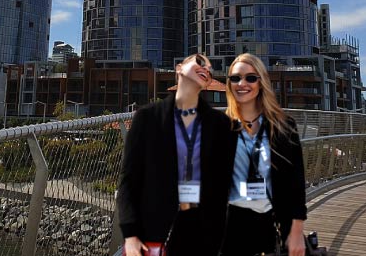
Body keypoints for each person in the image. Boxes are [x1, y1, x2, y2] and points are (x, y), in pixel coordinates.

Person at [117, 54, 235, 256]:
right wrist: (131, 235)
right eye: (199, 62)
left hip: (205, 235)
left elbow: (226, 184)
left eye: (209, 69)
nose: (205, 68)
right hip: (154, 233)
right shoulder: (146, 118)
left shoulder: (220, 125)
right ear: (179, 69)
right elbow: (129, 182)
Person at [220, 53, 307, 256]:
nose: (242, 84)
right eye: (235, 78)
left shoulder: (284, 127)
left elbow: (296, 184)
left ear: (261, 82)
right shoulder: (220, 127)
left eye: (250, 77)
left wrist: (296, 231)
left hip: (271, 223)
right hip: (228, 226)